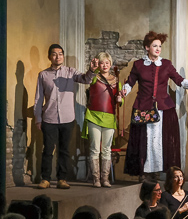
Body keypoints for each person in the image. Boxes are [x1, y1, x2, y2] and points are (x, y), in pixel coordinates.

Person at [122, 31, 188, 180]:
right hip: (143, 107)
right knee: (144, 140)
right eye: (155, 46)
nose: (158, 49)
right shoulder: (138, 65)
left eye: (160, 46)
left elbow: (179, 80)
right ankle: (144, 171)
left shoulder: (166, 64)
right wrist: (125, 90)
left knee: (159, 141)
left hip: (163, 108)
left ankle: (157, 171)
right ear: (147, 47)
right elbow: (130, 82)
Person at [34, 43, 89, 189]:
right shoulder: (43, 75)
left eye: (60, 54)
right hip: (49, 118)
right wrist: (38, 118)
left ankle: (62, 179)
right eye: (54, 54)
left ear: (63, 56)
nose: (57, 57)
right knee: (48, 150)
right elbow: (39, 98)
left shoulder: (71, 72)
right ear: (49, 57)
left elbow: (86, 79)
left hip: (67, 118)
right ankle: (45, 179)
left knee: (64, 150)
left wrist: (92, 70)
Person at [83, 51, 122, 188]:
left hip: (109, 118)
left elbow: (119, 99)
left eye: (107, 62)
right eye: (101, 63)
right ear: (98, 65)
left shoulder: (116, 80)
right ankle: (96, 179)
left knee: (106, 149)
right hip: (94, 116)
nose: (104, 65)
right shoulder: (95, 77)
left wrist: (120, 99)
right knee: (95, 148)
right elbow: (88, 79)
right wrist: (92, 69)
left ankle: (105, 179)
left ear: (110, 64)